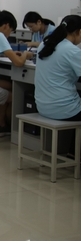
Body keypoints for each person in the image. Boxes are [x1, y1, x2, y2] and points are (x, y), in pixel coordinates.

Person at [35, 15, 81, 156]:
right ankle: (75, 154)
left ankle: (73, 153)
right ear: (78, 31)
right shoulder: (71, 50)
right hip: (64, 110)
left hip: (42, 106)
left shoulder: (44, 45)